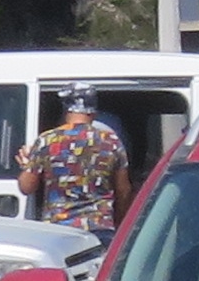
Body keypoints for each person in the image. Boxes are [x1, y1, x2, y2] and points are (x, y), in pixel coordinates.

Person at [13, 85, 132, 237]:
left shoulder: (47, 140)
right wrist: (119, 222)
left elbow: (27, 187)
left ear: (66, 110)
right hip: (99, 227)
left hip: (58, 229)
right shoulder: (111, 141)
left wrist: (27, 166)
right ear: (93, 112)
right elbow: (124, 190)